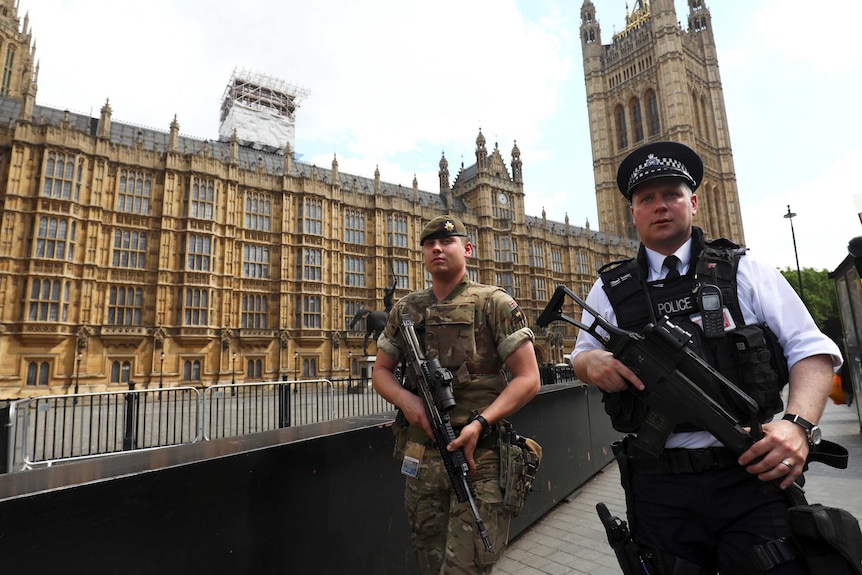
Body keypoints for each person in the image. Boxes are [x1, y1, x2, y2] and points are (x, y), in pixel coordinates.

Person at [571, 141, 842, 574]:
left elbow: (811, 349)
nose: (660, 206)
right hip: (658, 487)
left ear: (693, 202)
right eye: (646, 199)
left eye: (671, 195)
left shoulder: (744, 269)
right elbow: (581, 357)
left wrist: (799, 426)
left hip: (751, 476)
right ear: (632, 212)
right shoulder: (609, 289)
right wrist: (591, 365)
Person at [373, 214, 540, 574]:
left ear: (467, 249)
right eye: (429, 244)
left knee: (467, 567)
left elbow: (529, 378)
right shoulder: (406, 309)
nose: (437, 248)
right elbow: (381, 373)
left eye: (447, 242)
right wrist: (409, 402)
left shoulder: (494, 303)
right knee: (429, 562)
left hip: (481, 459)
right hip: (422, 461)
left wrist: (481, 422)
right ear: (421, 255)